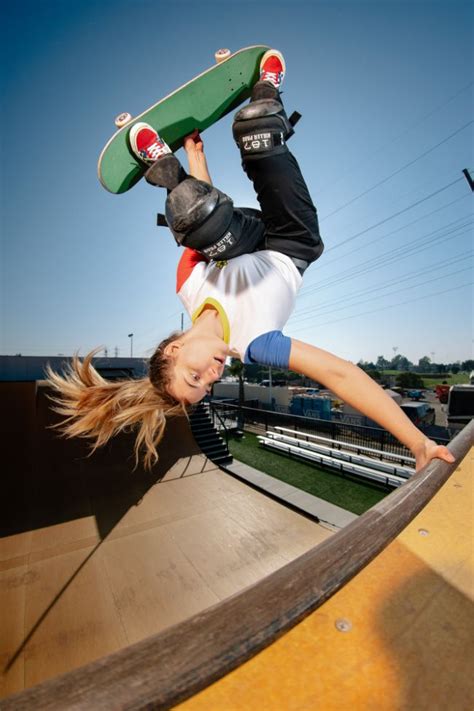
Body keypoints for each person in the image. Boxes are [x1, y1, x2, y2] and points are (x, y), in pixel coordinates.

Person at [47, 50, 455, 473]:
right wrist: (418, 443)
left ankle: (159, 163)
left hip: (241, 236)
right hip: (291, 241)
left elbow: (201, 214)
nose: (212, 376)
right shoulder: (259, 344)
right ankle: (266, 94)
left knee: (198, 223)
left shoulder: (188, 286)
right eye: (207, 386)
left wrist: (193, 154)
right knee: (256, 128)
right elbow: (341, 376)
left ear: (174, 348)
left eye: (195, 376)